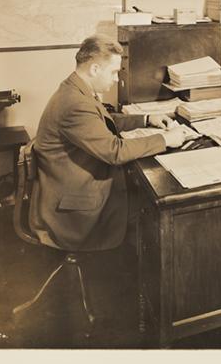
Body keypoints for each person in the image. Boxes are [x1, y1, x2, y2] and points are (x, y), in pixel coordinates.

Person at [29, 34, 187, 252]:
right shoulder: (75, 103)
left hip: (72, 189)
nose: (116, 79)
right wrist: (166, 139)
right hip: (76, 214)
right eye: (113, 72)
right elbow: (115, 152)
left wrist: (146, 119)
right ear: (94, 69)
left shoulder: (75, 89)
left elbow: (103, 121)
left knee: (148, 198)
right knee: (154, 209)